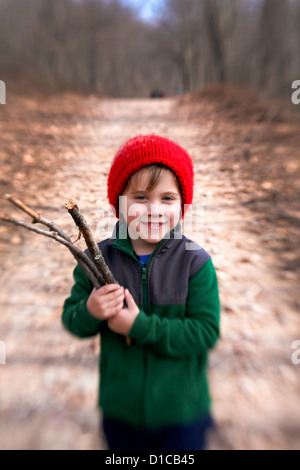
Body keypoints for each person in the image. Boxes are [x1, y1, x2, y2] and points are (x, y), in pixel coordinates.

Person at [62, 134, 220, 450]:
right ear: (117, 204)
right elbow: (72, 320)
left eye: (167, 199)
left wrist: (139, 327)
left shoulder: (195, 263)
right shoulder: (98, 260)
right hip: (121, 410)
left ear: (183, 205)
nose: (154, 210)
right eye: (141, 197)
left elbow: (205, 333)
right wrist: (91, 311)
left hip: (181, 411)